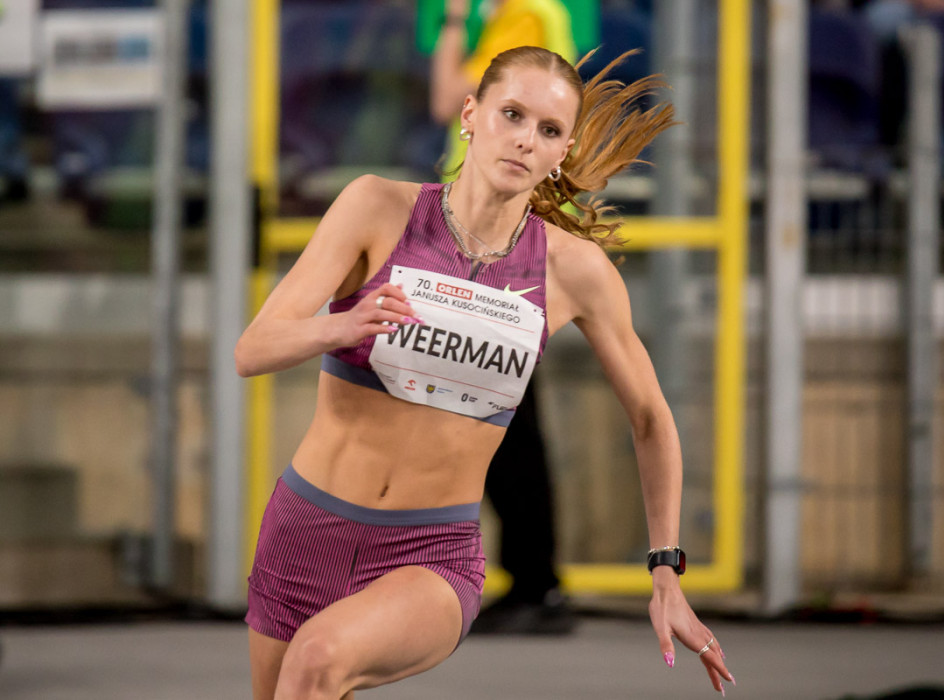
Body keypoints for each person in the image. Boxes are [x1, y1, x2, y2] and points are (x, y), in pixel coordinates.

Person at [236, 45, 736, 699]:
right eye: (512, 114)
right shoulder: (376, 207)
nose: (526, 139)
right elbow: (254, 349)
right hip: (305, 529)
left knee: (318, 660)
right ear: (470, 115)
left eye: (549, 130)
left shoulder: (573, 270)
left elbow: (650, 417)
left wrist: (666, 570)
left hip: (429, 554)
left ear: (563, 151)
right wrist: (340, 326)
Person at [429, 0, 577, 634]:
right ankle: (532, 580)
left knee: (504, 416)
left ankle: (536, 582)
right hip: (484, 231)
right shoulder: (514, 19)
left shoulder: (523, 17)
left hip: (498, 236)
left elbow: (444, 98)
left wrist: (453, 21)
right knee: (494, 410)